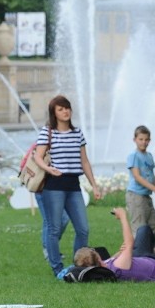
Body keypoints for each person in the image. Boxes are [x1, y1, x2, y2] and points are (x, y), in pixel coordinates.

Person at [33, 95, 101, 276]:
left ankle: (78, 265)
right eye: (61, 109)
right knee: (54, 229)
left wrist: (94, 185)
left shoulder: (77, 133)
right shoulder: (47, 132)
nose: (65, 111)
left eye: (67, 108)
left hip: (74, 185)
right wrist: (48, 168)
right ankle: (57, 269)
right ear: (54, 113)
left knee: (83, 229)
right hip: (54, 186)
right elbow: (37, 156)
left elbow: (84, 161)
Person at [73, 208, 155, 282]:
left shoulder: (104, 266)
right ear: (96, 255)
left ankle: (154, 249)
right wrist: (123, 216)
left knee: (143, 229)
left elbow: (113, 259)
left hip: (139, 257)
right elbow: (130, 242)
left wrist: (121, 252)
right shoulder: (117, 268)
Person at [125, 125, 155, 235]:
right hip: (136, 196)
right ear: (135, 140)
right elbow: (137, 177)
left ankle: (151, 249)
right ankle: (138, 250)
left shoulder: (149, 156)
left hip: (146, 196)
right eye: (141, 139)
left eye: (146, 139)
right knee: (140, 227)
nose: (144, 142)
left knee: (152, 224)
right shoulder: (133, 156)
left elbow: (151, 175)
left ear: (150, 140)